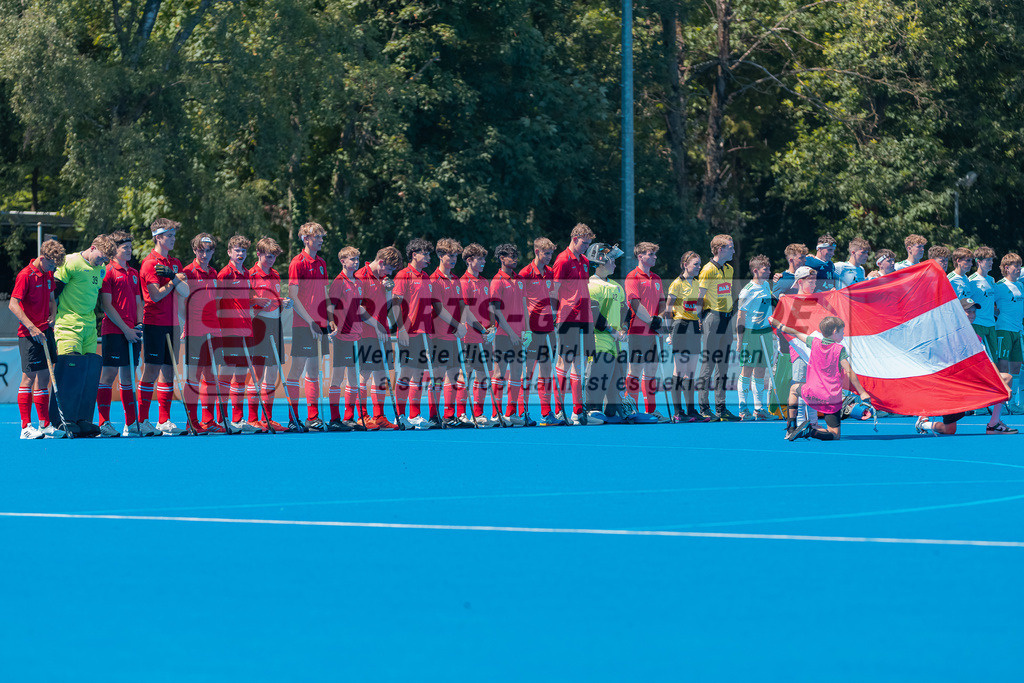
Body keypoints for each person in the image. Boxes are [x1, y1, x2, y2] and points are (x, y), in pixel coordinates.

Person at [915, 298, 1018, 435]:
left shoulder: (975, 336)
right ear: (958, 313)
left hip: (969, 383)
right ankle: (924, 423)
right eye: (968, 311)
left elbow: (989, 361)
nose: (972, 314)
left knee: (1006, 378)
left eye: (974, 312)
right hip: (951, 386)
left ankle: (993, 425)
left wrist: (1003, 386)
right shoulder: (946, 335)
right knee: (949, 430)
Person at [769, 315, 871, 441]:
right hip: (831, 398)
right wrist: (862, 392)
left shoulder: (814, 342)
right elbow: (849, 371)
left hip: (812, 393)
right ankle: (812, 432)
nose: (843, 335)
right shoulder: (839, 350)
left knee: (794, 389)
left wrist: (778, 324)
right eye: (842, 332)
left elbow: (794, 332)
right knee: (835, 435)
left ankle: (791, 427)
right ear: (834, 332)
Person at [10, 239, 66, 439]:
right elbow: (13, 305)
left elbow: (52, 300)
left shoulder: (49, 274)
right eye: (51, 264)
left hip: (46, 332)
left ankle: (44, 425)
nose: (52, 268)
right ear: (42, 258)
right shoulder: (25, 275)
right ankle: (26, 427)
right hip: (29, 334)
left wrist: (53, 314)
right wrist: (32, 327)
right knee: (29, 378)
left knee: (44, 378)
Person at [139, 219, 190, 436]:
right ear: (158, 237)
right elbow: (156, 295)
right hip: (154, 323)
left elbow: (186, 292)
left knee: (169, 372)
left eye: (174, 235)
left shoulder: (175, 262)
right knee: (151, 371)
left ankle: (164, 420)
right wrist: (172, 281)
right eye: (169, 235)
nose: (173, 239)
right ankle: (141, 421)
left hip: (172, 324)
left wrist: (172, 276)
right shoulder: (149, 263)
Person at [286, 221, 333, 431]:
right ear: (306, 239)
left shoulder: (322, 263)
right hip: (304, 325)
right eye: (318, 237)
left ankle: (312, 418)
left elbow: (324, 293)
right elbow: (293, 297)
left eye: (322, 237)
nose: (321, 240)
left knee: (314, 371)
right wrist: (310, 322)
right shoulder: (297, 262)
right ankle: (293, 418)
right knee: (296, 370)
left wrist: (328, 318)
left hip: (319, 324)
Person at [96, 231, 143, 437]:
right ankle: (104, 423)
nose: (129, 250)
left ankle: (131, 424)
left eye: (130, 247)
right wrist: (126, 330)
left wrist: (139, 324)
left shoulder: (133, 273)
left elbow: (139, 301)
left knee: (129, 378)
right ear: (114, 250)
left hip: (133, 331)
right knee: (108, 375)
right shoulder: (107, 272)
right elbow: (106, 305)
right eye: (125, 247)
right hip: (115, 331)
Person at [354, 246, 403, 430]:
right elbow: (357, 308)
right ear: (381, 262)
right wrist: (376, 324)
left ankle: (379, 415)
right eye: (389, 269)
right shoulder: (360, 275)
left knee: (381, 375)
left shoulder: (383, 279)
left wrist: (389, 292)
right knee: (364, 374)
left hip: (381, 332)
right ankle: (362, 416)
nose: (389, 273)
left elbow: (386, 306)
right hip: (365, 332)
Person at [181, 233, 226, 434]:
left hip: (213, 330)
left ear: (213, 251)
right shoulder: (187, 272)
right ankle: (192, 421)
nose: (205, 254)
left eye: (208, 250)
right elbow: (180, 303)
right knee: (193, 377)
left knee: (210, 376)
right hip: (195, 331)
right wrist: (186, 324)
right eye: (201, 250)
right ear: (194, 250)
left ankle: (208, 420)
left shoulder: (214, 273)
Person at [551, 223, 595, 424]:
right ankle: (560, 410)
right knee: (565, 363)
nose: (586, 246)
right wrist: (552, 315)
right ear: (574, 238)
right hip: (567, 318)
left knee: (580, 364)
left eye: (588, 243)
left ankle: (578, 411)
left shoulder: (585, 261)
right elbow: (554, 291)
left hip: (583, 318)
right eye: (584, 243)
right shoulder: (562, 260)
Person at [248, 237, 291, 433]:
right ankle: (252, 418)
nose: (271, 260)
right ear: (258, 253)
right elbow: (244, 300)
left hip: (275, 324)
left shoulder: (274, 275)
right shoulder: (251, 274)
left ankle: (268, 417)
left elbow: (272, 299)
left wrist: (281, 302)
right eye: (268, 256)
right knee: (257, 373)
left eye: (274, 256)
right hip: (258, 325)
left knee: (272, 373)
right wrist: (256, 301)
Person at [392, 238, 436, 429]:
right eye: (424, 254)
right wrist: (400, 328)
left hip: (424, 332)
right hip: (408, 332)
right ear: (414, 254)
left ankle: (414, 415)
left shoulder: (426, 277)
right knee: (406, 373)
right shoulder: (403, 275)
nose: (428, 258)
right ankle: (399, 415)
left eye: (429, 254)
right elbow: (395, 304)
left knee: (419, 374)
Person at [218, 235, 258, 434]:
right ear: (229, 252)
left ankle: (238, 419)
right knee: (226, 376)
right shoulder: (224, 274)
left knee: (241, 377)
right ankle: (221, 418)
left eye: (243, 251)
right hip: (230, 331)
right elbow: (215, 302)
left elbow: (247, 299)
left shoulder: (247, 274)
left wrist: (267, 301)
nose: (241, 254)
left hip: (246, 329)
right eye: (237, 251)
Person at [696, 233, 738, 421]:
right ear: (720, 249)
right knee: (709, 363)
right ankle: (704, 407)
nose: (734, 251)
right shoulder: (707, 270)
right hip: (712, 317)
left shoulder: (728, 269)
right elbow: (700, 297)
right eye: (730, 247)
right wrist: (698, 319)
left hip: (726, 318)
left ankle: (721, 407)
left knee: (724, 364)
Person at [624, 242, 667, 421]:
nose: (655, 257)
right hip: (638, 331)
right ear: (640, 256)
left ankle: (651, 410)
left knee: (651, 371)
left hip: (654, 332)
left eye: (655, 254)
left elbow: (663, 303)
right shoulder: (632, 276)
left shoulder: (656, 278)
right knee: (635, 370)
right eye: (651, 254)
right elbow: (634, 303)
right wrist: (651, 321)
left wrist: (660, 319)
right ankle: (631, 410)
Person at [586, 242, 628, 423]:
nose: (615, 264)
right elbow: (594, 314)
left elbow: (625, 311)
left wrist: (624, 329)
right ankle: (592, 410)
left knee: (617, 382)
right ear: (601, 261)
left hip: (616, 342)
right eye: (612, 260)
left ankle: (613, 410)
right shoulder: (590, 285)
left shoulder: (617, 287)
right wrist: (611, 331)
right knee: (597, 379)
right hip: (599, 341)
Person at [518, 237, 558, 426]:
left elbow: (553, 297)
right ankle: (522, 411)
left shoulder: (550, 272)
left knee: (546, 372)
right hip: (532, 330)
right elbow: (519, 303)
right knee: (527, 372)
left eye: (551, 253)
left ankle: (546, 412)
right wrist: (525, 330)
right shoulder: (525, 273)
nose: (550, 257)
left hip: (549, 329)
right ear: (537, 252)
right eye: (546, 253)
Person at [430, 238, 470, 428]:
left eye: (455, 256)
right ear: (440, 255)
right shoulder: (433, 280)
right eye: (450, 255)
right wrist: (457, 325)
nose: (453, 259)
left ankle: (449, 414)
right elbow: (438, 309)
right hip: (439, 334)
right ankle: (434, 415)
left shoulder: (455, 279)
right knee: (438, 374)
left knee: (454, 374)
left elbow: (462, 304)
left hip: (455, 334)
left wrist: (462, 324)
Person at [459, 243, 498, 427]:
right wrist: (482, 330)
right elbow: (465, 311)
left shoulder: (484, 281)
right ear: (469, 260)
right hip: (470, 337)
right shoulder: (463, 282)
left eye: (484, 258)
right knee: (465, 374)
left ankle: (479, 413)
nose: (483, 262)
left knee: (483, 375)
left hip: (485, 336)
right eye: (479, 259)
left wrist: (492, 327)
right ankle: (460, 414)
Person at [768, 243, 808, 418]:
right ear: (791, 259)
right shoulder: (783, 279)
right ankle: (777, 406)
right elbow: (775, 301)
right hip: (785, 331)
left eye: (805, 257)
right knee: (784, 369)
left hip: (803, 329)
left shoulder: (807, 276)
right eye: (801, 257)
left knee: (800, 369)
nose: (805, 260)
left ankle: (800, 405)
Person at [489, 243, 526, 426]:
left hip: (519, 336)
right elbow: (496, 311)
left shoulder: (519, 279)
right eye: (511, 256)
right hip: (504, 335)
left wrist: (525, 331)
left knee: (517, 373)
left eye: (516, 255)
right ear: (502, 258)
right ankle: (496, 414)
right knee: (500, 372)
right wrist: (511, 332)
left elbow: (524, 306)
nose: (515, 259)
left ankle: (511, 413)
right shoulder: (497, 280)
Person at [779, 266, 818, 434]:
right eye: (811, 281)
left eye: (815, 280)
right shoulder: (791, 301)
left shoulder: (818, 299)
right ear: (800, 282)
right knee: (800, 386)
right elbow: (783, 327)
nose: (815, 284)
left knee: (815, 386)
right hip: (800, 350)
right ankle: (797, 424)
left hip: (816, 350)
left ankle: (814, 422)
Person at [666, 251, 703, 421]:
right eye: (695, 264)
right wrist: (669, 331)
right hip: (680, 326)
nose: (699, 267)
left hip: (694, 327)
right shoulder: (676, 284)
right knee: (680, 371)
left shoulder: (698, 283)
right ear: (685, 265)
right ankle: (678, 412)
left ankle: (691, 410)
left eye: (699, 264)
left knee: (691, 371)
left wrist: (700, 319)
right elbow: (668, 310)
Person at [735, 254, 773, 420]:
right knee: (747, 370)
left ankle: (759, 408)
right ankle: (743, 409)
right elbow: (740, 317)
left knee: (761, 370)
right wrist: (740, 340)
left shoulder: (766, 286)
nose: (769, 271)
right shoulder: (747, 291)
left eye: (769, 268)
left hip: (766, 333)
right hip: (750, 334)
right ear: (756, 271)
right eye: (766, 269)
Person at [994, 253, 1023, 411]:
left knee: (1017, 367)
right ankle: (1002, 401)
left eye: (1019, 266)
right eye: (1015, 266)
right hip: (1003, 330)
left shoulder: (1020, 285)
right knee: (1003, 366)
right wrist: (1001, 315)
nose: (1018, 269)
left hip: (1018, 330)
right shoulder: (999, 286)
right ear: (1006, 268)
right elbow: (988, 305)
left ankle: (1013, 403)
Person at [969, 246, 999, 362]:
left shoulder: (992, 280)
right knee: (980, 360)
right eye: (988, 260)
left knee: (994, 360)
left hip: (991, 324)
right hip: (977, 324)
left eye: (992, 259)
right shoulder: (971, 280)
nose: (991, 262)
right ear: (979, 261)